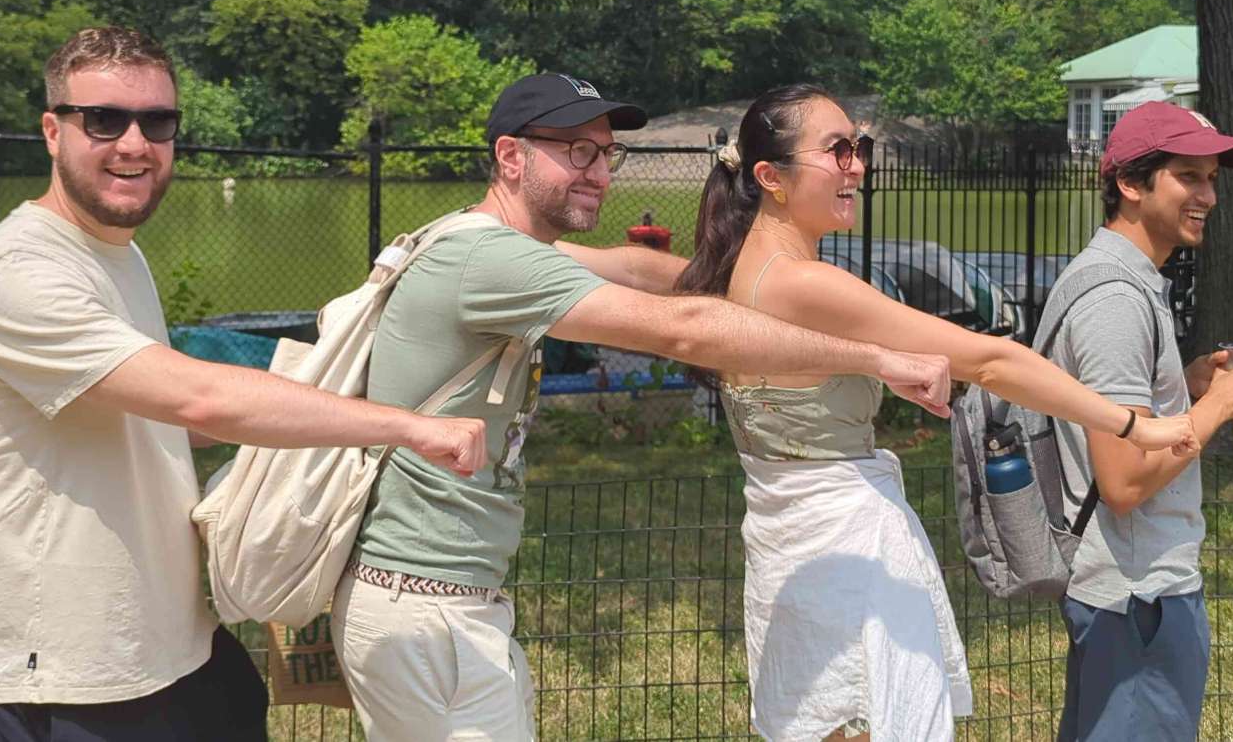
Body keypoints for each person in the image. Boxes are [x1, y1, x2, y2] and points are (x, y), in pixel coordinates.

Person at [334, 72, 954, 742]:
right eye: (578, 151)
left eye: (606, 153)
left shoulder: (487, 244)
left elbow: (634, 269)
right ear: (511, 157)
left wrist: (758, 294)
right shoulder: (491, 257)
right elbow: (684, 328)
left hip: (447, 603)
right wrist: (877, 356)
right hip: (425, 610)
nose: (599, 171)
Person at [0, 27, 489, 742]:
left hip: (183, 647)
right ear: (51, 129)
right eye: (104, 118)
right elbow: (197, 397)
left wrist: (317, 411)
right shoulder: (14, 275)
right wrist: (403, 424)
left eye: (157, 121)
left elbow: (169, 421)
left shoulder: (116, 255)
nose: (134, 142)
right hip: (79, 677)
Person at [673, 84, 1200, 742]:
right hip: (846, 547)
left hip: (786, 541)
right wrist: (1128, 421)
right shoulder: (803, 281)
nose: (856, 165)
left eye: (859, 148)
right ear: (769, 177)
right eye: (837, 150)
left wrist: (876, 365)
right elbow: (992, 361)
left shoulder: (735, 268)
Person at [1046, 101, 1233, 741]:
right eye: (1188, 176)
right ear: (1130, 183)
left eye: (1211, 178)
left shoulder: (1124, 280)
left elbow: (1126, 424)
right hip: (1137, 596)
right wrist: (1218, 406)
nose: (1207, 194)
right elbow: (1123, 480)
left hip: (1134, 594)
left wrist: (1188, 386)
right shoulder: (1116, 299)